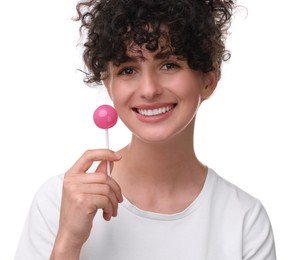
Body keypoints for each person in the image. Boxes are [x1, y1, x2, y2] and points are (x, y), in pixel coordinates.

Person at [14, 0, 277, 259]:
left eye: (169, 65)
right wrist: (68, 241)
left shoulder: (245, 220)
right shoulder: (59, 200)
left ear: (208, 80)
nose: (149, 90)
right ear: (109, 86)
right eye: (128, 70)